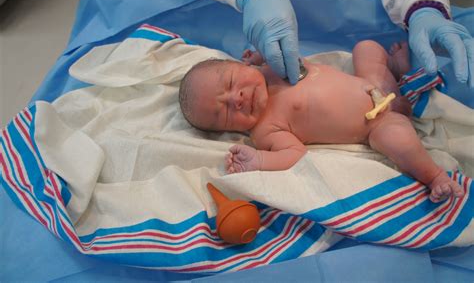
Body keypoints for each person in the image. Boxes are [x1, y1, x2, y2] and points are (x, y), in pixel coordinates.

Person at [178, 40, 465, 203]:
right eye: (224, 113)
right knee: (400, 143)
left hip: (371, 81)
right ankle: (434, 176)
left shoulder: (274, 67)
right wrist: (258, 161)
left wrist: (264, 50)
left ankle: (396, 71)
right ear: (229, 130)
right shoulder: (266, 130)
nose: (235, 99)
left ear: (242, 64)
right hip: (378, 122)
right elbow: (294, 154)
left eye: (229, 82)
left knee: (366, 49)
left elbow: (287, 49)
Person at [174, 0, 473, 87]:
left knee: (367, 52)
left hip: (354, 67)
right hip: (236, 6)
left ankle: (394, 65)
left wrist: (422, 5)